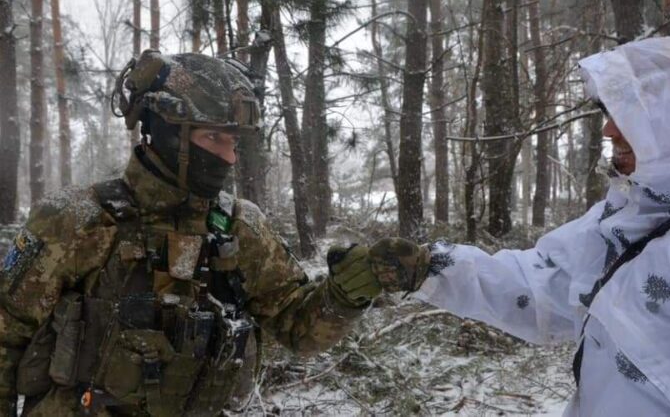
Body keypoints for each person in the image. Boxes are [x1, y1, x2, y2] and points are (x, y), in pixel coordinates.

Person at [371, 36, 670, 416]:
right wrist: (429, 267)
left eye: (629, 112)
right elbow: (546, 285)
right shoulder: (641, 212)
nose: (609, 127)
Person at [0, 50, 415, 417]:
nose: (229, 156)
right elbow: (5, 335)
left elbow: (296, 325)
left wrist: (347, 292)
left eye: (233, 141)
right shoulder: (76, 220)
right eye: (213, 137)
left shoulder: (239, 225)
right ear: (166, 131)